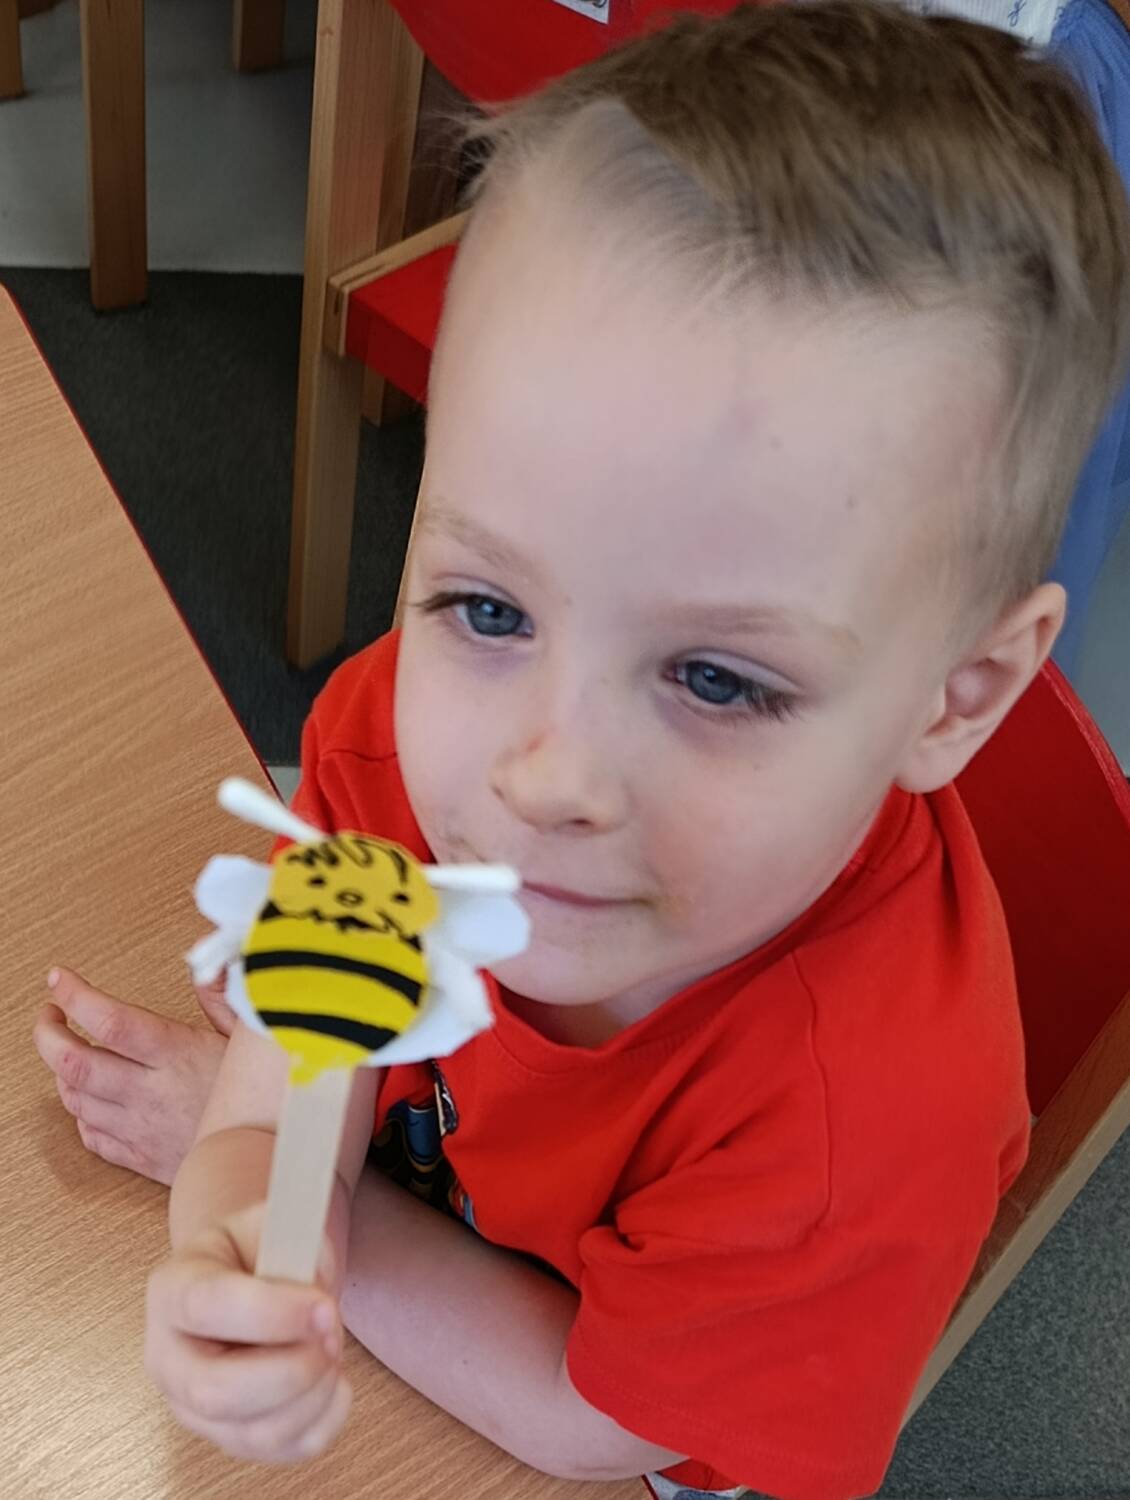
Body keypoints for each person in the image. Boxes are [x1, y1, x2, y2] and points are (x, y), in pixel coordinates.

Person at [32, 5, 1130, 1497]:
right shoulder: (404, 744)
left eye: (717, 679)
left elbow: (587, 1418)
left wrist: (336, 1236)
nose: (540, 778)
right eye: (488, 606)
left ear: (955, 697)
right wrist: (243, 1209)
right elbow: (313, 1031)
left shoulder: (864, 1126)